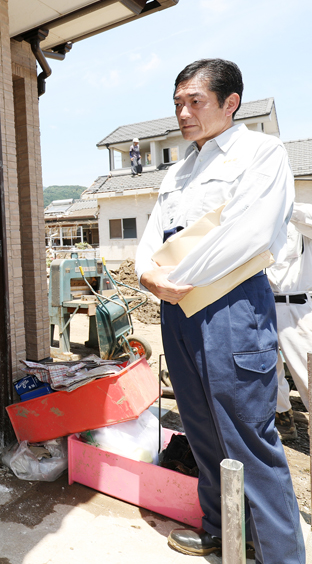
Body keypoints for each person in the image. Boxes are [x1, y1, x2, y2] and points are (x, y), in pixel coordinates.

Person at [135, 59, 304, 563]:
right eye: (178, 103)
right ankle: (222, 528)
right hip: (177, 307)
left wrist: (175, 278)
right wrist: (148, 274)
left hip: (231, 304)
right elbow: (152, 235)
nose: (183, 113)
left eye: (195, 101)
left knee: (247, 433)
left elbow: (249, 231)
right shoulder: (179, 170)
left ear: (231, 103)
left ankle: (278, 553)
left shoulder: (261, 152)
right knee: (201, 425)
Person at [268, 202, 312, 440]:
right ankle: (283, 419)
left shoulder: (297, 219)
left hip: (296, 307)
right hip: (261, 305)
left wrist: (284, 205)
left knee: (307, 370)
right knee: (268, 370)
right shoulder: (259, 223)